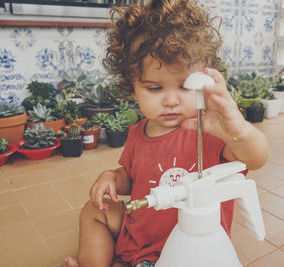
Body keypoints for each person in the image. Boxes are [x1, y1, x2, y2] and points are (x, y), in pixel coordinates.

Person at [65, 0, 269, 266]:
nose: (171, 101)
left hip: (189, 250)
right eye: (154, 88)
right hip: (138, 239)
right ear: (131, 88)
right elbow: (132, 179)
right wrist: (112, 177)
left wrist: (238, 131)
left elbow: (257, 158)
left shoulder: (212, 131)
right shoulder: (138, 132)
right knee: (94, 211)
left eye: (185, 86)